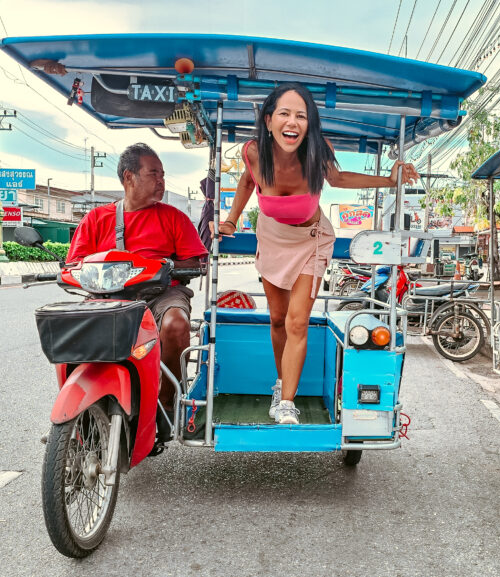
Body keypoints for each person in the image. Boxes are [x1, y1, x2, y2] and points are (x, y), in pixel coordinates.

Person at [220, 82, 419, 425]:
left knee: (298, 321)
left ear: (309, 124)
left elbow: (339, 178)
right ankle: (280, 381)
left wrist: (389, 181)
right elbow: (247, 182)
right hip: (271, 238)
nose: (292, 123)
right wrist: (231, 219)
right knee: (278, 320)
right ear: (269, 121)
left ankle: (286, 403)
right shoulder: (253, 153)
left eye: (301, 115)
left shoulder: (317, 150)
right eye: (284, 114)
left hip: (311, 239)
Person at [67, 143, 207, 433]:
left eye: (163, 174)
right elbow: (74, 264)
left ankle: (166, 406)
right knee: (73, 330)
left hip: (162, 294)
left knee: (177, 324)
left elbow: (195, 261)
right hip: (107, 296)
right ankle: (79, 407)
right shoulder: (95, 219)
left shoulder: (173, 218)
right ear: (129, 177)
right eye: (153, 173)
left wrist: (164, 267)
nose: (161, 181)